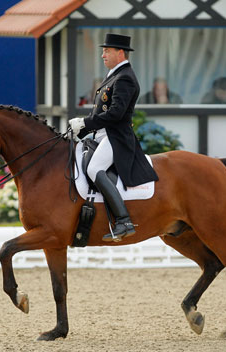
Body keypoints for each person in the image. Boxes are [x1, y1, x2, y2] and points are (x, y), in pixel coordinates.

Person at [68, 33, 159, 242]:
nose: (102, 55)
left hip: (116, 137)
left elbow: (116, 114)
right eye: (103, 51)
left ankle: (123, 220)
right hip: (102, 134)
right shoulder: (114, 75)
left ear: (120, 53)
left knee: (93, 169)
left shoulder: (125, 77)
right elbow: (100, 112)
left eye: (106, 51)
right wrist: (82, 129)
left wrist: (86, 123)